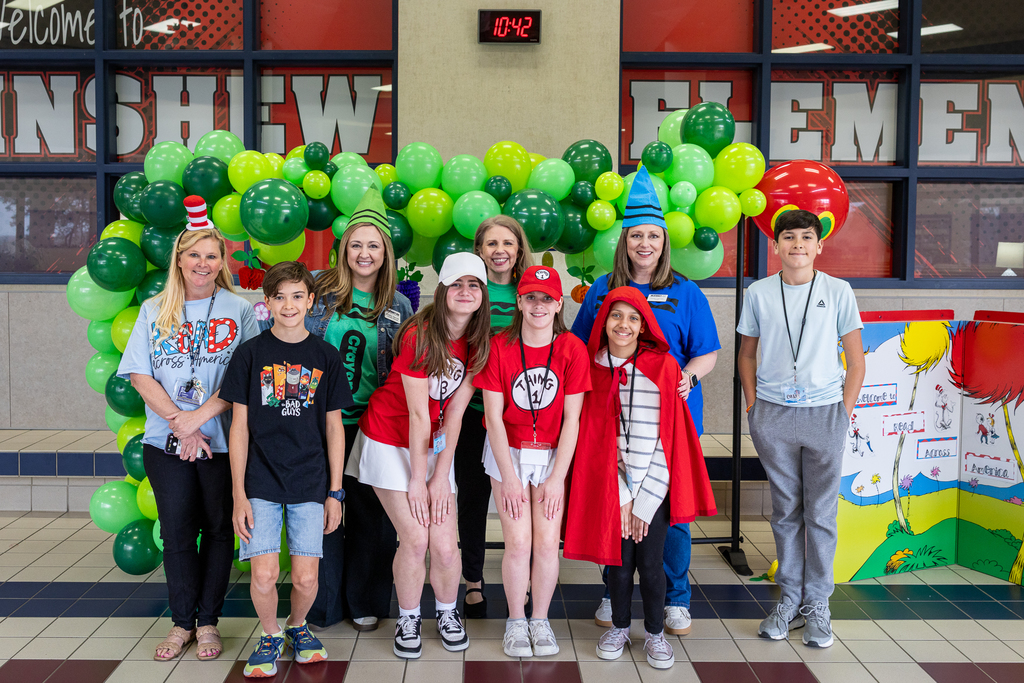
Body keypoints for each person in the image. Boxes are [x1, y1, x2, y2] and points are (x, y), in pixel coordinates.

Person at [571, 167, 720, 636]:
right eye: (636, 235)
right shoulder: (601, 292)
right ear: (625, 240)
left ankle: (675, 599)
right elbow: (579, 349)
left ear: (663, 241)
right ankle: (611, 591)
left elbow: (707, 352)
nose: (645, 244)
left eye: (653, 236)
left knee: (670, 512)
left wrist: (688, 379)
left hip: (670, 422)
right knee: (609, 502)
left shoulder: (685, 291)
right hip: (609, 422)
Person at [118, 196, 259, 661]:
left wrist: (198, 421)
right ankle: (181, 623)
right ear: (179, 258)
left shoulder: (239, 310)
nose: (203, 262)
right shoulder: (153, 309)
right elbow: (140, 374)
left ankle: (209, 624)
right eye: (194, 254)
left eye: (212, 255)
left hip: (221, 444)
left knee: (220, 530)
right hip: (167, 444)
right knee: (177, 532)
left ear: (222, 262)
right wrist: (181, 425)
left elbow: (246, 377)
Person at [564, 287, 716, 670]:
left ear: (644, 324)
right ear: (603, 321)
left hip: (655, 490)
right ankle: (617, 627)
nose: (624, 325)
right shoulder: (593, 368)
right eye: (616, 316)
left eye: (633, 318)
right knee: (617, 564)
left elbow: (671, 445)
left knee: (650, 565)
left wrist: (644, 503)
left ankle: (654, 633)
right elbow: (596, 447)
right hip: (613, 491)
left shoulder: (664, 368)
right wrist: (623, 499)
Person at [737, 209, 865, 648]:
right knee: (786, 510)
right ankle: (789, 599)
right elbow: (746, 355)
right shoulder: (758, 293)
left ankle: (818, 605)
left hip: (825, 413)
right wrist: (754, 406)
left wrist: (843, 411)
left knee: (821, 514)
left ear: (819, 245)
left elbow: (856, 358)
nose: (797, 245)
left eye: (806, 238)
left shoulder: (839, 290)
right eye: (788, 237)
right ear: (775, 246)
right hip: (773, 415)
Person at [356, 252, 491, 659]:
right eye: (457, 284)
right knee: (415, 539)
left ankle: (448, 614)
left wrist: (440, 475)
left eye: (474, 285)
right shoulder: (420, 333)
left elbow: (453, 412)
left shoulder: (478, 342)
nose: (465, 292)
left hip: (431, 444)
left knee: (447, 546)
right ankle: (409, 617)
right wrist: (419, 480)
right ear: (443, 290)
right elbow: (417, 412)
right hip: (388, 438)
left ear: (482, 293)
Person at [222, 261, 352, 677]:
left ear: (311, 301)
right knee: (263, 573)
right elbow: (238, 428)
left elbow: (335, 429)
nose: (289, 305)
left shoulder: (325, 356)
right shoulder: (250, 354)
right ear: (267, 302)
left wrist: (336, 492)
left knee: (306, 578)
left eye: (298, 296)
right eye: (280, 297)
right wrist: (238, 494)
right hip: (260, 479)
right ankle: (270, 633)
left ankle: (298, 627)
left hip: (311, 481)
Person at [304, 189, 413, 632]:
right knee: (322, 514)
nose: (364, 254)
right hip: (320, 423)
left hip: (374, 427)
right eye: (356, 244)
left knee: (374, 516)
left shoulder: (400, 306)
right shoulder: (317, 292)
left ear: (385, 252)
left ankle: (365, 598)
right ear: (343, 248)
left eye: (373, 246)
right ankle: (324, 604)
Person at [476, 265, 590, 658]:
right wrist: (508, 477)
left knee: (545, 544)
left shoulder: (572, 348)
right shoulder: (499, 346)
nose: (538, 305)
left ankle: (539, 619)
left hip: (552, 456)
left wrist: (558, 477)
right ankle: (515, 621)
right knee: (518, 542)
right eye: (530, 298)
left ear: (559, 304)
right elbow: (492, 417)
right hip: (508, 451)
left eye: (546, 298)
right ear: (519, 303)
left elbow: (573, 417)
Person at [454, 215, 534, 619]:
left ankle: (528, 577)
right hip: (472, 412)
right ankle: (473, 581)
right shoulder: (471, 291)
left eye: (508, 242)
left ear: (519, 249)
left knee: (524, 500)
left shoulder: (533, 291)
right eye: (491, 244)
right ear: (479, 250)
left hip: (521, 418)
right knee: (473, 499)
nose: (500, 250)